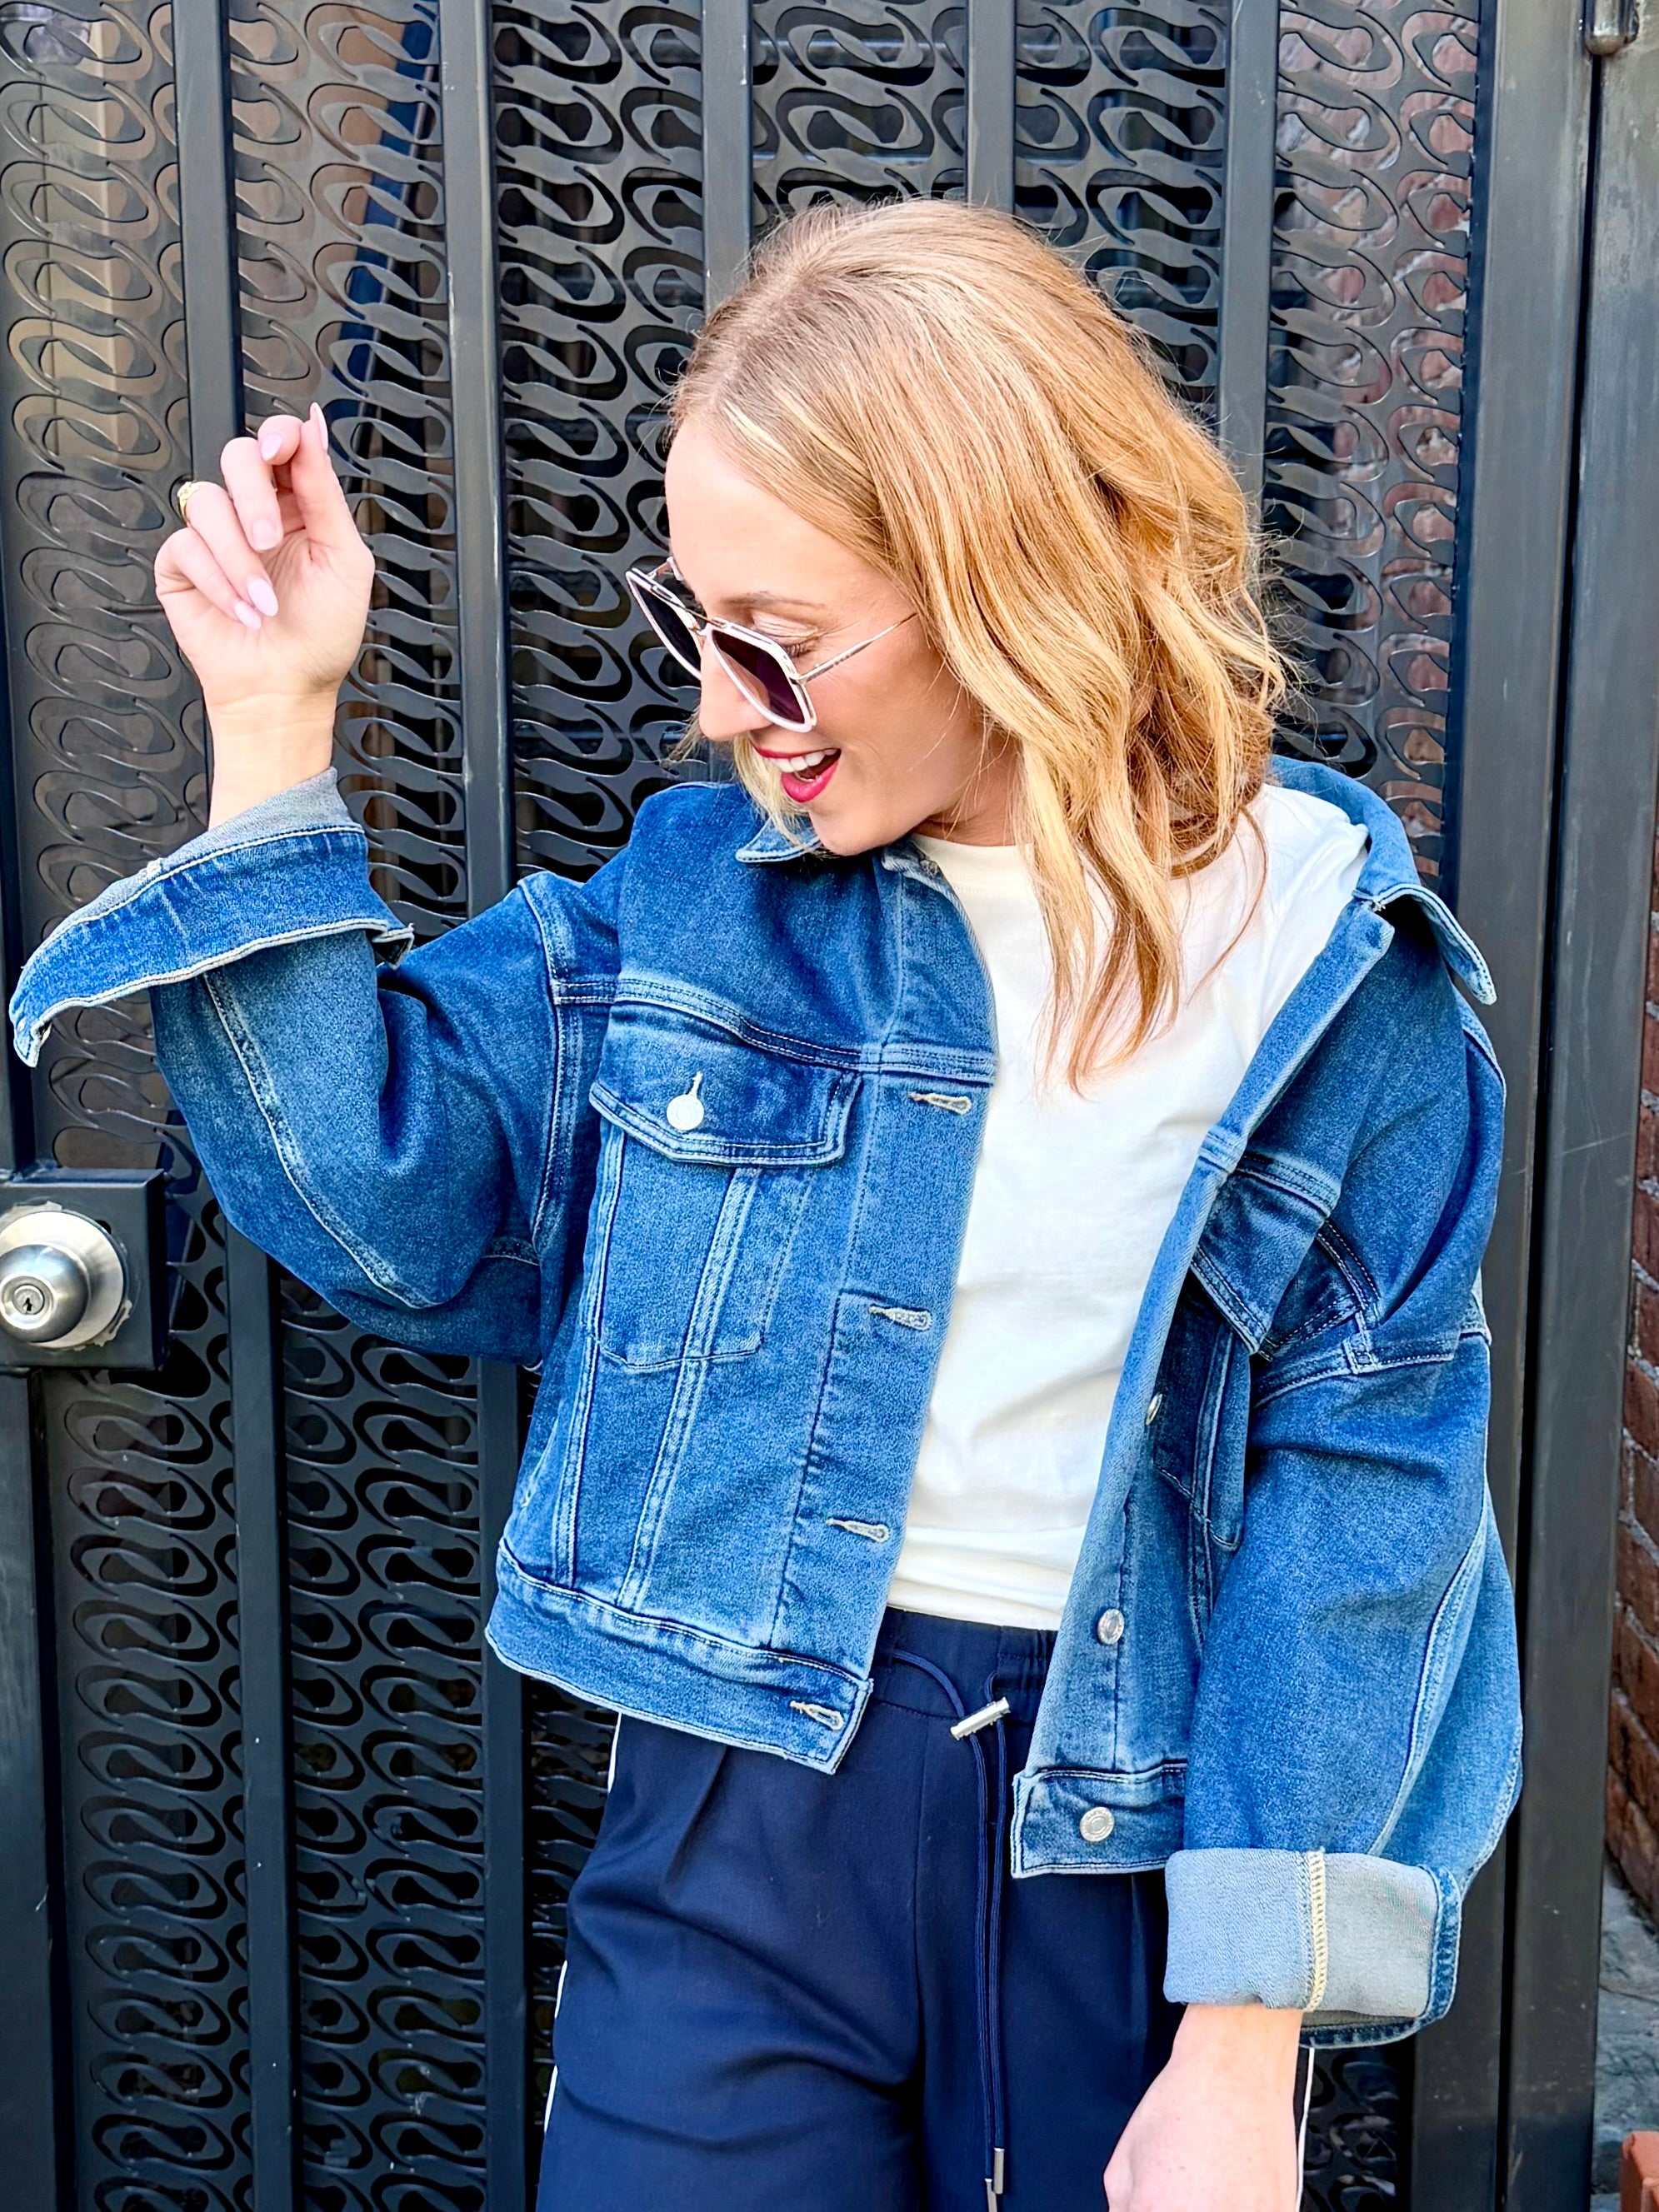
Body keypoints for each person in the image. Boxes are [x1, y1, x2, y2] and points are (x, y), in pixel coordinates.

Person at [9, 198, 1521, 2212]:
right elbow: (380, 1198)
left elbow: (1365, 1507)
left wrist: (1244, 2045)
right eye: (698, 623)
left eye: (777, 638)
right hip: (740, 1811)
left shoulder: (1339, 986)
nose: (724, 708)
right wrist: (275, 726)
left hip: (1133, 1841)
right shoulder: (695, 911)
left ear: (1012, 582)